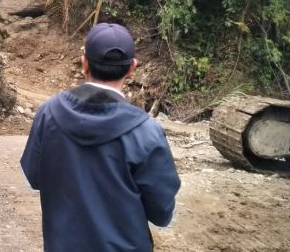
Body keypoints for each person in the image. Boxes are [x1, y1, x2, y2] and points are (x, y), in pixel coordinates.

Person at [20, 22, 180, 252]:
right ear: (132, 68)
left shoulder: (48, 113)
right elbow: (162, 213)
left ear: (84, 62)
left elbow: (34, 178)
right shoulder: (147, 132)